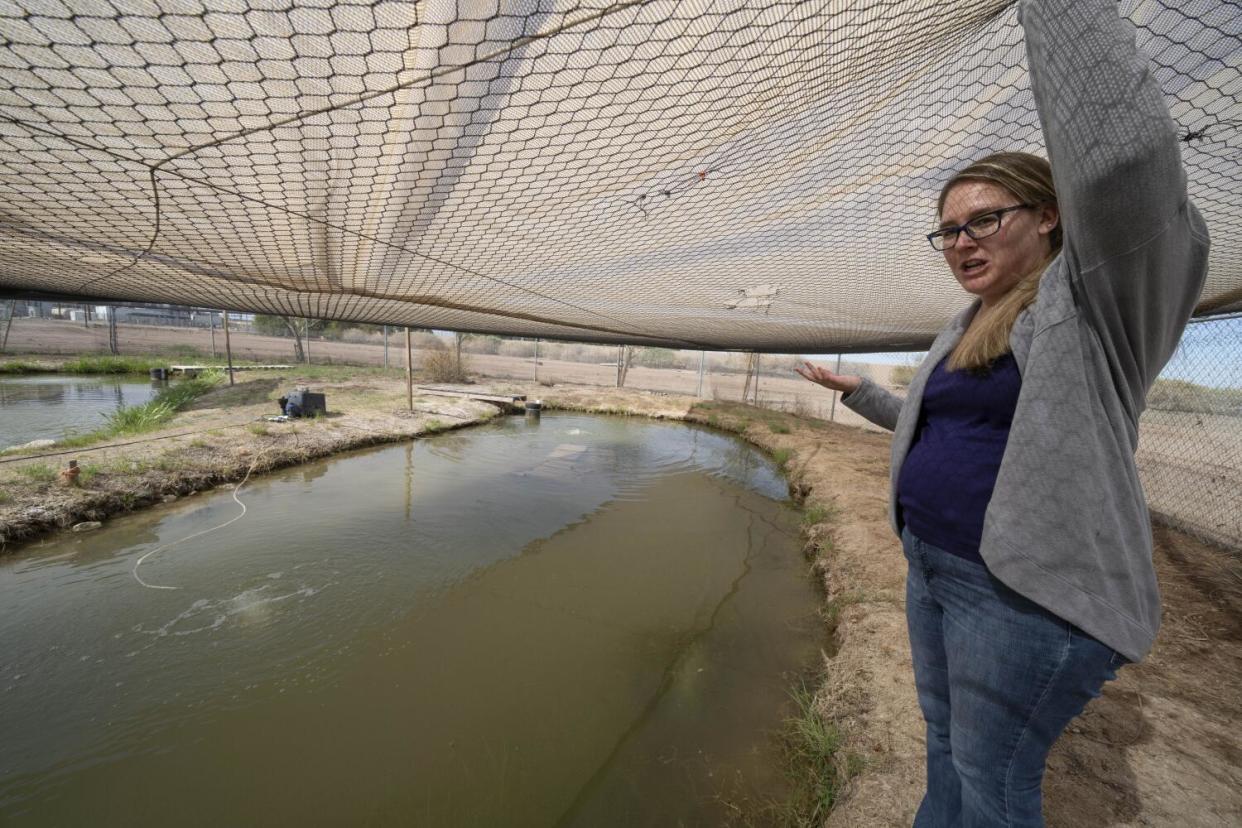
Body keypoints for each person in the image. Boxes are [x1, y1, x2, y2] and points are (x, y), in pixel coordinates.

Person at [796, 0, 1210, 825]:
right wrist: (863, 396)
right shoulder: (966, 323)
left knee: (994, 777)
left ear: (1051, 215)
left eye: (983, 218)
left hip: (1017, 591)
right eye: (946, 230)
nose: (959, 242)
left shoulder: (1092, 309)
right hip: (934, 566)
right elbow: (950, 427)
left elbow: (1122, 169)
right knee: (948, 742)